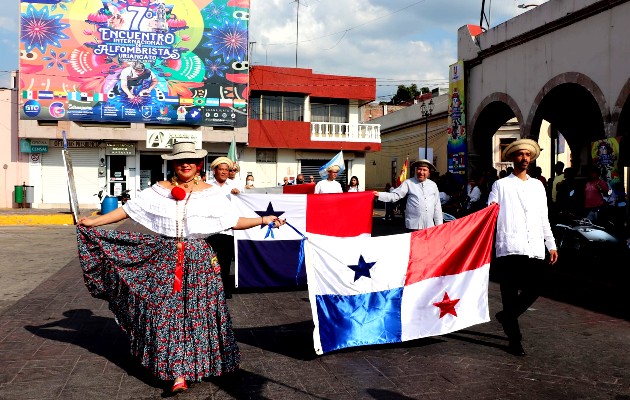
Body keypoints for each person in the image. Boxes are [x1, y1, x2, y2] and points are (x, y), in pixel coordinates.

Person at [76, 141, 284, 393]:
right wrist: (94, 222)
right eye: (179, 160)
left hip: (199, 259)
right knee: (168, 313)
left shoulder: (211, 192)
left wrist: (263, 219)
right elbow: (128, 211)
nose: (185, 164)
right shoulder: (158, 190)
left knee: (203, 311)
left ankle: (218, 364)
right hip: (165, 258)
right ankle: (177, 372)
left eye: (190, 160)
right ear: (172, 163)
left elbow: (232, 220)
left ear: (198, 165)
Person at [488, 138, 558, 357]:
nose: (524, 158)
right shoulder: (501, 185)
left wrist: (551, 244)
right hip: (509, 245)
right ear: (512, 158)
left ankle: (507, 316)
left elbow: (543, 217)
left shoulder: (538, 185)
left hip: (534, 245)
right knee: (508, 292)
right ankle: (514, 340)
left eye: (528, 155)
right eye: (520, 154)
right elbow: (490, 212)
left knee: (537, 286)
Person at [373, 159, 443, 231]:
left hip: (429, 226)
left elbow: (437, 207)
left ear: (429, 172)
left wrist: (439, 226)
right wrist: (379, 195)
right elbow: (395, 195)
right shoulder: (408, 183)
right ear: (416, 170)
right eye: (419, 169)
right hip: (413, 226)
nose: (421, 172)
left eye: (424, 170)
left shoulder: (433, 185)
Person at [206, 157, 240, 299]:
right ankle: (210, 289)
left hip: (227, 230)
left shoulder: (234, 187)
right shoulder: (206, 186)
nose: (225, 172)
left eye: (227, 170)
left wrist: (239, 195)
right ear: (215, 171)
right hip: (210, 230)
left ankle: (225, 289)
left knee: (225, 262)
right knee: (210, 262)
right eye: (222, 169)